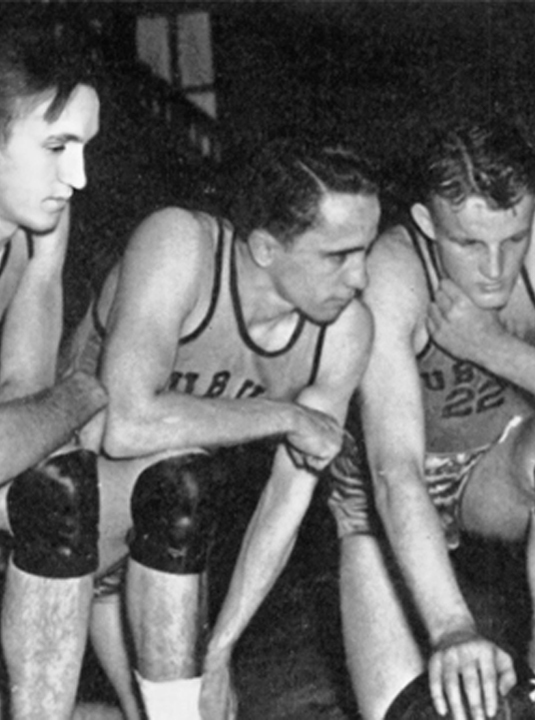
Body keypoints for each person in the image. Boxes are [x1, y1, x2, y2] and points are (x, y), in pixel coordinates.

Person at [53, 136, 380, 720]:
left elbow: (286, 502)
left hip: (155, 540)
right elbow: (126, 424)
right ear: (263, 248)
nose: (360, 278)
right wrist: (285, 416)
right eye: (338, 256)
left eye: (367, 252)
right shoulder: (180, 243)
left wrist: (222, 650)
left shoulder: (345, 331)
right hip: (49, 513)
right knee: (178, 478)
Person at [328, 119, 535, 720]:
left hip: (493, 469)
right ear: (427, 222)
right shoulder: (393, 274)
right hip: (385, 500)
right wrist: (453, 629)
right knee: (422, 714)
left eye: (512, 239)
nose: (495, 267)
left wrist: (493, 347)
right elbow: (394, 471)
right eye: (468, 244)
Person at [0, 20, 122, 720]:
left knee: (61, 488)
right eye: (56, 147)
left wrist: (56, 405)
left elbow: (21, 399)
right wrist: (84, 389)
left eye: (84, 147)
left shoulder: (37, 220)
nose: (77, 178)